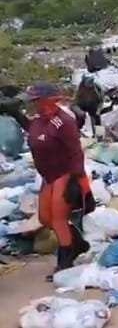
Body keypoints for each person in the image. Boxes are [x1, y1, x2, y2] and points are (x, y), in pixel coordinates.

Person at [5, 83, 95, 281]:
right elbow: (35, 131)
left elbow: (75, 152)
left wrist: (77, 180)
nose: (33, 103)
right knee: (45, 218)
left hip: (65, 174)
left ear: (49, 100)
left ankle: (64, 262)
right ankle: (77, 243)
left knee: (58, 219)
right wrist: (17, 116)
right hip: (48, 176)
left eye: (36, 99)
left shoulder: (64, 122)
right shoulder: (39, 119)